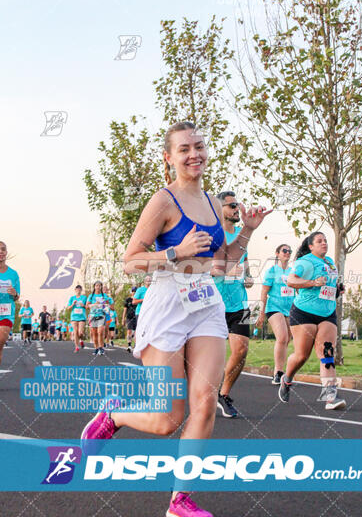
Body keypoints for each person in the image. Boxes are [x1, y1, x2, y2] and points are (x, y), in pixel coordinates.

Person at [81, 121, 270, 517]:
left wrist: (247, 232)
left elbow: (220, 265)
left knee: (204, 400)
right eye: (184, 149)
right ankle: (114, 414)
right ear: (169, 158)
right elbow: (131, 260)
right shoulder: (163, 201)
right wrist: (174, 252)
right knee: (169, 418)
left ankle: (179, 500)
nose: (194, 154)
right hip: (168, 304)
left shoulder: (216, 206)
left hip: (205, 304)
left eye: (199, 146)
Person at [278, 232, 346, 410]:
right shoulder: (305, 262)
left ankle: (330, 395)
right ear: (311, 246)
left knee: (327, 353)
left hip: (327, 313)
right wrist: (313, 282)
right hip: (303, 313)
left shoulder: (330, 262)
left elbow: (329, 286)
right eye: (319, 241)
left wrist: (337, 290)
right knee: (302, 356)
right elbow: (291, 281)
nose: (324, 243)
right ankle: (287, 379)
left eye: (325, 241)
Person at [214, 191, 254, 418]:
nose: (236, 209)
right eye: (231, 206)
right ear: (220, 210)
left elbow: (245, 263)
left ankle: (224, 394)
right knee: (213, 356)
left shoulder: (242, 234)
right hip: (213, 303)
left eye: (237, 205)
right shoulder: (213, 235)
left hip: (239, 303)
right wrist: (218, 270)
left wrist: (248, 277)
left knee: (242, 350)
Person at [256, 244, 294, 385]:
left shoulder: (293, 271)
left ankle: (282, 370)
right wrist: (261, 313)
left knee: (287, 339)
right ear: (277, 253)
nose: (287, 253)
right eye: (284, 250)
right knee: (282, 337)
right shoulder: (272, 271)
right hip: (274, 308)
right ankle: (277, 373)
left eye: (289, 251)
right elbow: (264, 293)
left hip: (289, 309)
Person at [0, 241, 20, 364]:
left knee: (1, 340)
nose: (0, 252)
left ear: (6, 253)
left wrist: (14, 294)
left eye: (3, 249)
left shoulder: (13, 274)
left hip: (6, 312)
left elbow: (17, 296)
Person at [86, 281, 108, 356]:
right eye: (96, 285)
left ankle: (101, 348)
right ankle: (96, 348)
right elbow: (87, 306)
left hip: (101, 315)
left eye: (99, 286)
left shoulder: (104, 295)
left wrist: (103, 306)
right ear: (94, 287)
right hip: (93, 316)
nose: (98, 287)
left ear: (101, 287)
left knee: (100, 332)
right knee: (94, 333)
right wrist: (94, 304)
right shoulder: (91, 296)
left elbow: (107, 305)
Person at [67, 285, 87, 353]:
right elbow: (68, 308)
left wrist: (83, 305)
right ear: (75, 290)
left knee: (80, 333)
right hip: (74, 317)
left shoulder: (84, 298)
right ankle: (76, 347)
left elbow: (88, 306)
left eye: (79, 289)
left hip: (82, 317)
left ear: (81, 290)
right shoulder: (72, 298)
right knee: (75, 332)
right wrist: (73, 304)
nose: (78, 290)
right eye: (77, 289)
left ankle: (81, 340)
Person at [122, 286, 138, 353]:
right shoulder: (128, 300)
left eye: (135, 292)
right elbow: (125, 310)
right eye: (133, 291)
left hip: (137, 317)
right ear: (131, 292)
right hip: (129, 317)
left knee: (136, 332)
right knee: (129, 331)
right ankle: (129, 345)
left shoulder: (138, 300)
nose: (134, 293)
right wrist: (123, 318)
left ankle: (136, 345)